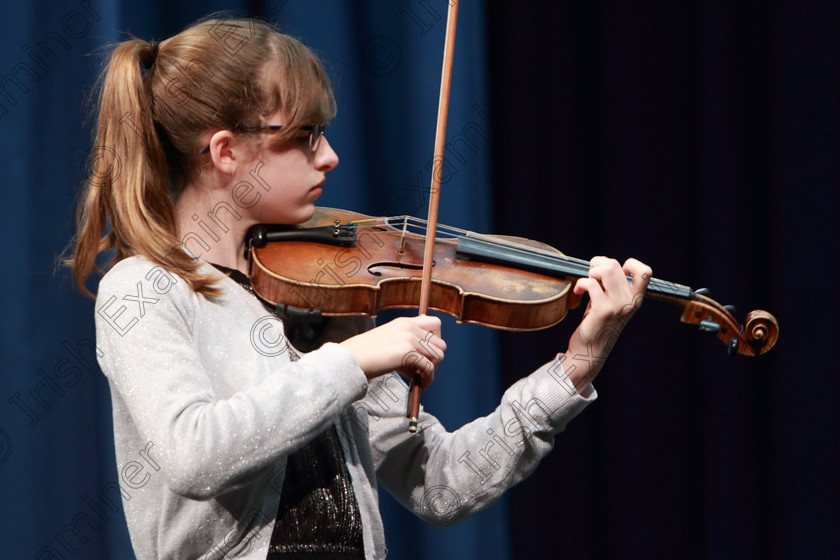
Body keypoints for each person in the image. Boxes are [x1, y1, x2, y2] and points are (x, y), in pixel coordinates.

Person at [69, 16, 652, 560]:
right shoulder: (144, 289)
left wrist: (575, 367)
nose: (330, 156)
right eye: (306, 136)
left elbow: (441, 486)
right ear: (226, 152)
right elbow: (194, 454)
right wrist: (352, 359)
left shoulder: (319, 291)